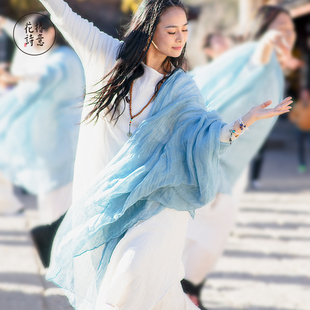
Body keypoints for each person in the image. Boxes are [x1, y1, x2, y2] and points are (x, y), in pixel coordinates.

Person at [37, 0, 291, 309]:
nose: (180, 38)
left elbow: (206, 135)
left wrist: (244, 121)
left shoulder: (181, 88)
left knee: (132, 278)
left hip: (160, 203)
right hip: (107, 204)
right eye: (171, 30)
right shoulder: (105, 55)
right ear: (147, 31)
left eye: (184, 30)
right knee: (129, 292)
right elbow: (62, 15)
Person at [181, 5, 296, 307]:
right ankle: (186, 293)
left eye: (290, 28)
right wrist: (268, 43)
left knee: (196, 234)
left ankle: (184, 291)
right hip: (215, 165)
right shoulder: (257, 57)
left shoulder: (268, 63)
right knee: (207, 235)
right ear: (263, 30)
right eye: (279, 27)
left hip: (219, 163)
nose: (288, 33)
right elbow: (255, 64)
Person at [0, 13, 85, 223]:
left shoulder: (62, 60)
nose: (31, 41)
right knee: (58, 203)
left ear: (51, 32)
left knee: (57, 208)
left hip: (61, 141)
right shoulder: (64, 56)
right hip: (61, 138)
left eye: (37, 35)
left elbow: (38, 85)